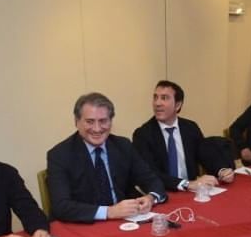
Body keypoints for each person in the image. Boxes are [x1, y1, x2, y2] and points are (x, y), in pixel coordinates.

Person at [47, 92, 166, 223]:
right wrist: (109, 212)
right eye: (90, 122)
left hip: (124, 222)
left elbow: (152, 180)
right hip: (84, 225)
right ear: (76, 122)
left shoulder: (123, 146)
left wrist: (151, 198)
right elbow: (61, 206)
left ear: (111, 122)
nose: (97, 129)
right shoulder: (59, 155)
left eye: (103, 121)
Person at [132, 80, 234, 193]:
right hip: (163, 193)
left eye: (164, 98)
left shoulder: (190, 127)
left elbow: (205, 154)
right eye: (155, 97)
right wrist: (186, 184)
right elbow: (151, 173)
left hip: (191, 192)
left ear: (178, 105)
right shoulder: (143, 134)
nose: (157, 103)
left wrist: (222, 170)